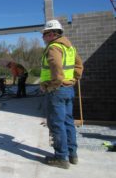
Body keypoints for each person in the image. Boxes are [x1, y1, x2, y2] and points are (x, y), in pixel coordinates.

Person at [40, 19, 83, 169]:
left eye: (44, 34)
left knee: (57, 123)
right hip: (68, 88)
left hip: (56, 90)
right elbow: (79, 66)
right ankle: (72, 154)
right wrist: (72, 80)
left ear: (51, 34)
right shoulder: (69, 47)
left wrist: (52, 85)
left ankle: (61, 158)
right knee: (68, 122)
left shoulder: (54, 48)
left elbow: (57, 70)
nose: (42, 38)